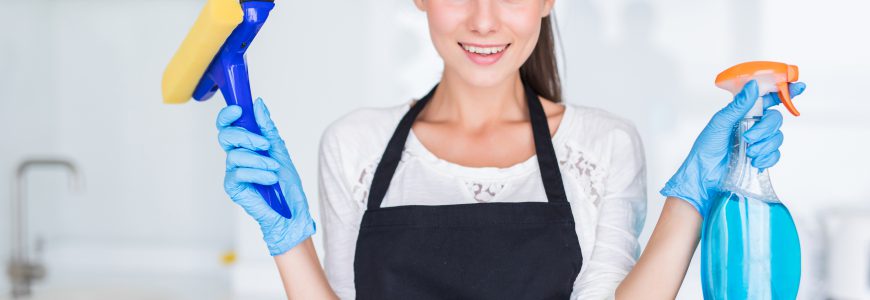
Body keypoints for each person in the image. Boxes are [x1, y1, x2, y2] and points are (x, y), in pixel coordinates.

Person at [214, 0, 806, 299]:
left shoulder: (602, 147)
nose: (484, 20)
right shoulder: (354, 146)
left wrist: (693, 195)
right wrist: (290, 244)